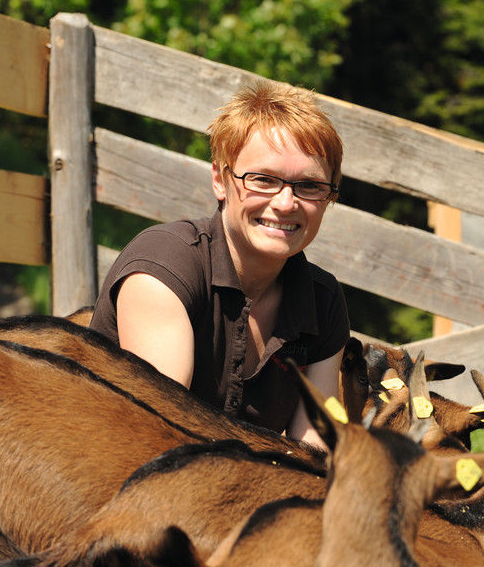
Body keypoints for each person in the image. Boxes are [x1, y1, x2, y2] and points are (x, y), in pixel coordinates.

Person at [89, 81, 349, 450]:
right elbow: (160, 435)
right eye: (263, 179)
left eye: (309, 185)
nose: (286, 202)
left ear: (329, 196)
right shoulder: (165, 267)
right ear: (220, 180)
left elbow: (315, 449)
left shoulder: (322, 301)